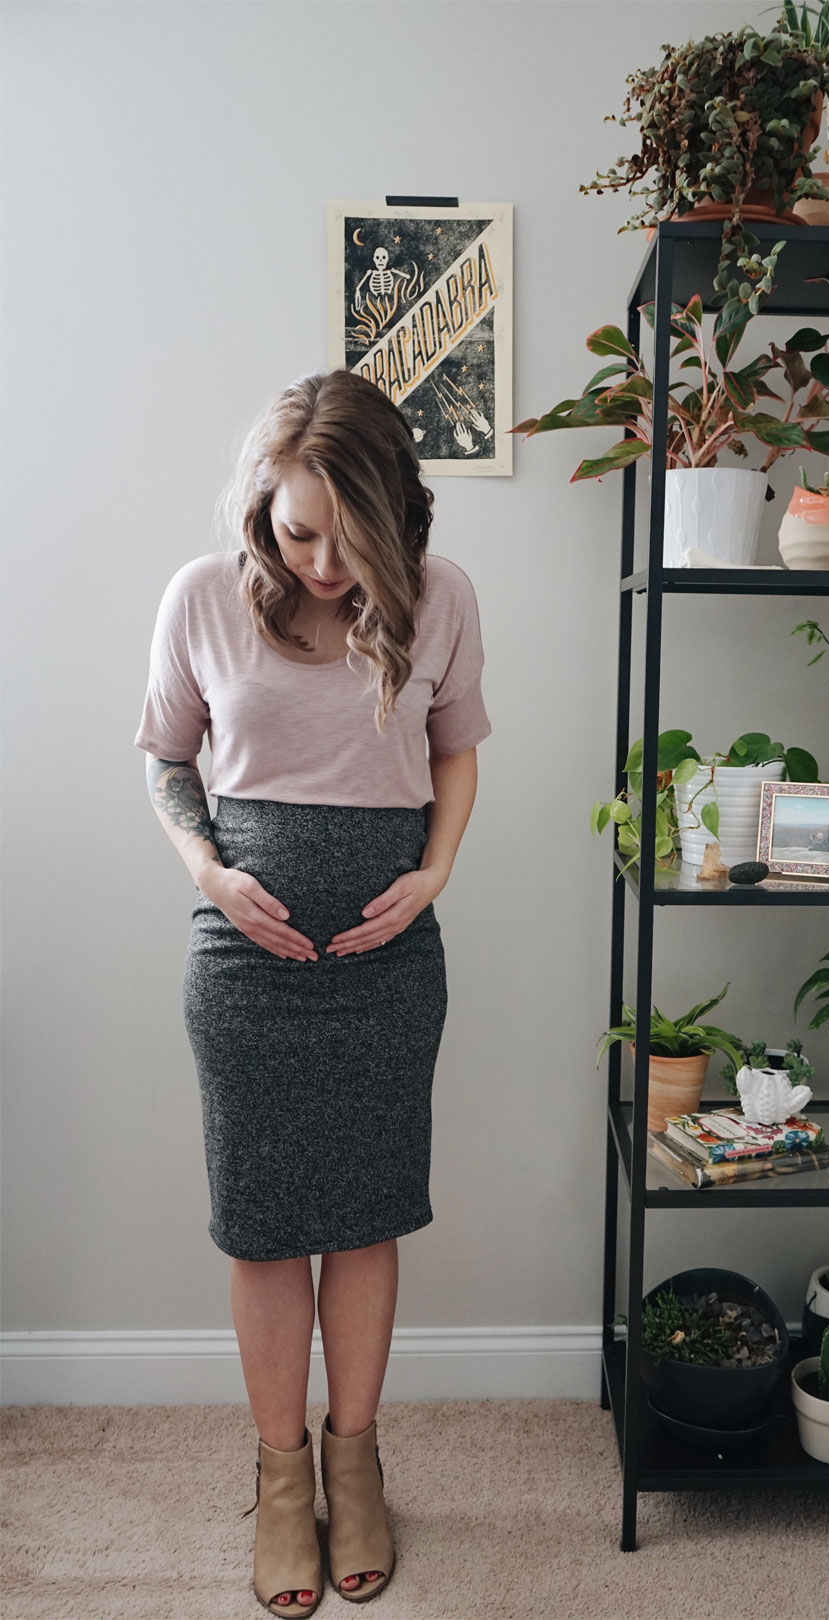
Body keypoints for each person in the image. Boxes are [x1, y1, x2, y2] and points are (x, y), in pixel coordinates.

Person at [133, 369, 491, 1615]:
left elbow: (454, 754)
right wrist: (213, 872)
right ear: (261, 509)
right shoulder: (199, 599)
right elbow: (170, 762)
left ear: (398, 514)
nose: (328, 563)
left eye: (354, 535)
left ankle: (358, 1460)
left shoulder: (440, 598)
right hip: (245, 970)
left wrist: (435, 872)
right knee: (266, 1220)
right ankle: (286, 1480)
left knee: (368, 1214)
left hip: (390, 969)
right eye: (300, 532)